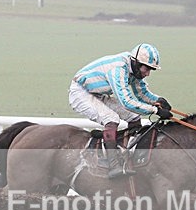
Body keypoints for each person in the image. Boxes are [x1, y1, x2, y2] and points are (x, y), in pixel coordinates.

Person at [69, 43, 173, 179]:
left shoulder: (135, 70)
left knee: (134, 117)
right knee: (111, 119)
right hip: (80, 92)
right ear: (136, 63)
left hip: (98, 93)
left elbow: (141, 93)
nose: (147, 73)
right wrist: (154, 110)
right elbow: (126, 101)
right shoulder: (118, 69)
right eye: (146, 68)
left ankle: (127, 154)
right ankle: (113, 165)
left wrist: (158, 100)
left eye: (150, 70)